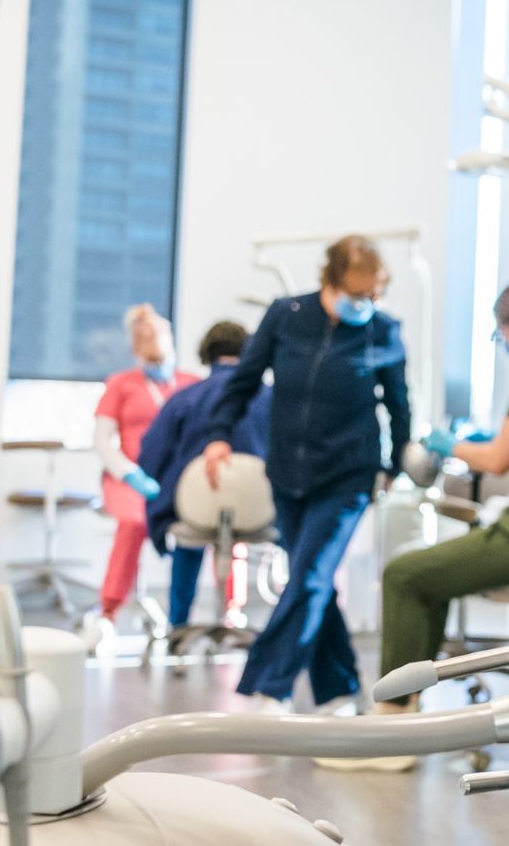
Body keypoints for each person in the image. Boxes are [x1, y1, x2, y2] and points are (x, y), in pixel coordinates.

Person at [322, 277, 509, 772]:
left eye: (501, 334)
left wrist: (448, 444)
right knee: (428, 578)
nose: (504, 344)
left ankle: (391, 729)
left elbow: (501, 459)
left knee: (405, 575)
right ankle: (406, 715)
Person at [198, 235, 410, 714]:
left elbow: (399, 406)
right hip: (289, 475)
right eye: (359, 295)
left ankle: (267, 688)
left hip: (349, 477)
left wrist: (395, 465)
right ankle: (338, 691)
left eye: (375, 295)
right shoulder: (286, 315)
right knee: (308, 582)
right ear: (329, 283)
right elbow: (243, 381)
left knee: (310, 578)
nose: (367, 305)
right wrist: (218, 434)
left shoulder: (384, 331)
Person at [78, 304, 203, 650]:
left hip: (178, 479)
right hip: (130, 477)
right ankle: (109, 612)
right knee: (134, 523)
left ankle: (198, 618)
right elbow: (102, 440)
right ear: (135, 348)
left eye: (158, 341)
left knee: (208, 521)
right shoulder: (121, 384)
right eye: (145, 343)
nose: (153, 348)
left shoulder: (190, 384)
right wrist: (129, 473)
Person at [139, 320, 271, 631]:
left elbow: (150, 458)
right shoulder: (274, 400)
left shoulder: (185, 399)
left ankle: (178, 627)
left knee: (190, 534)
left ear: (206, 354)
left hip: (194, 513)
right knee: (233, 527)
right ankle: (236, 616)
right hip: (260, 513)